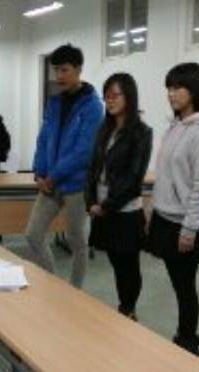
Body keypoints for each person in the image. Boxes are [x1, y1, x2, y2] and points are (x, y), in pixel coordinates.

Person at [147, 62, 199, 356]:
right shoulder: (176, 126)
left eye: (178, 87)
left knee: (185, 288)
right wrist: (153, 211)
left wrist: (190, 229)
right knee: (179, 285)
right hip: (165, 219)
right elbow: (166, 176)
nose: (171, 93)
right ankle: (185, 335)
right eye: (169, 87)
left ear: (195, 89)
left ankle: (188, 342)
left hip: (184, 225)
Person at [25, 44, 103, 288]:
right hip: (50, 183)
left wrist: (54, 175)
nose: (59, 76)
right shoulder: (55, 102)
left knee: (77, 242)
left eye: (64, 70)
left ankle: (74, 291)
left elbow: (84, 151)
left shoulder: (93, 106)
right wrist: (39, 172)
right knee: (33, 234)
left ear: (79, 69)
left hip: (76, 185)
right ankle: (54, 285)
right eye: (56, 70)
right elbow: (44, 138)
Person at [85, 73, 152, 319]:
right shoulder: (105, 129)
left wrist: (106, 206)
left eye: (115, 95)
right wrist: (91, 201)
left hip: (125, 211)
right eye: (106, 96)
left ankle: (128, 310)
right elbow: (92, 169)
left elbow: (134, 178)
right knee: (115, 262)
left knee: (128, 265)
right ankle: (124, 306)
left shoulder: (141, 132)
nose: (110, 100)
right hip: (102, 209)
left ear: (129, 96)